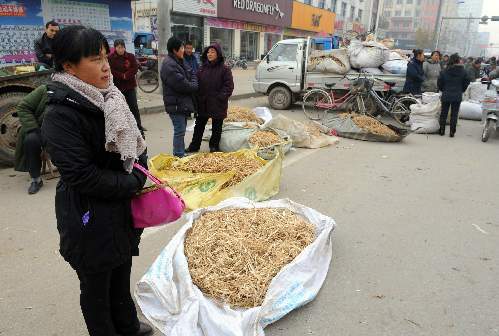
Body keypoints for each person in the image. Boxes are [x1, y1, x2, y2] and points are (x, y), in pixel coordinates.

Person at [41, 26, 152, 336]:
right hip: (87, 215)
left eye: (105, 57)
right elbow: (81, 175)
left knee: (120, 272)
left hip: (118, 210)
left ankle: (127, 326)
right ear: (68, 66)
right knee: (96, 287)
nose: (106, 66)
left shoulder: (112, 98)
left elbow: (135, 142)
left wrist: (140, 167)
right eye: (95, 59)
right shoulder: (60, 113)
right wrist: (132, 184)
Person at [186, 43, 234, 153]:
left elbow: (229, 86)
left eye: (212, 52)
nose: (209, 54)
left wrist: (220, 98)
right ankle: (194, 145)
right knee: (199, 126)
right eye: (208, 52)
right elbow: (196, 83)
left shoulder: (225, 69)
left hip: (217, 103)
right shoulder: (202, 68)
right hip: (203, 103)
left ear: (218, 54)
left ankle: (214, 147)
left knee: (217, 127)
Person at [160, 37, 198, 157]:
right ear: (174, 50)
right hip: (176, 104)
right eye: (181, 47)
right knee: (179, 131)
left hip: (182, 103)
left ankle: (180, 153)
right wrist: (194, 84)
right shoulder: (169, 65)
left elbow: (192, 73)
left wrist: (192, 82)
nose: (184, 50)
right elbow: (184, 85)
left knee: (181, 131)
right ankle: (178, 155)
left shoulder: (179, 60)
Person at [14, 85, 47, 194]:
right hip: (41, 129)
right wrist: (33, 128)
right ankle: (36, 180)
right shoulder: (44, 89)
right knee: (31, 140)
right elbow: (23, 107)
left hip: (64, 129)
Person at [109, 39, 145, 132]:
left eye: (122, 47)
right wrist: (121, 75)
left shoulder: (130, 56)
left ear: (124, 47)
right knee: (120, 108)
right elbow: (111, 70)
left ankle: (138, 126)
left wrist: (126, 75)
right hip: (118, 87)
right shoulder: (111, 58)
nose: (120, 49)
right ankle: (123, 128)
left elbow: (134, 67)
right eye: (118, 47)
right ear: (115, 48)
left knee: (133, 106)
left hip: (130, 86)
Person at [437, 53, 470, 138]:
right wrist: (461, 90)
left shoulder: (444, 70)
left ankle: (441, 130)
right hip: (457, 95)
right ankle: (452, 131)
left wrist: (443, 89)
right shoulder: (463, 71)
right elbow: (467, 82)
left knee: (443, 113)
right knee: (454, 114)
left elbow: (440, 82)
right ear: (458, 60)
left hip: (446, 94)